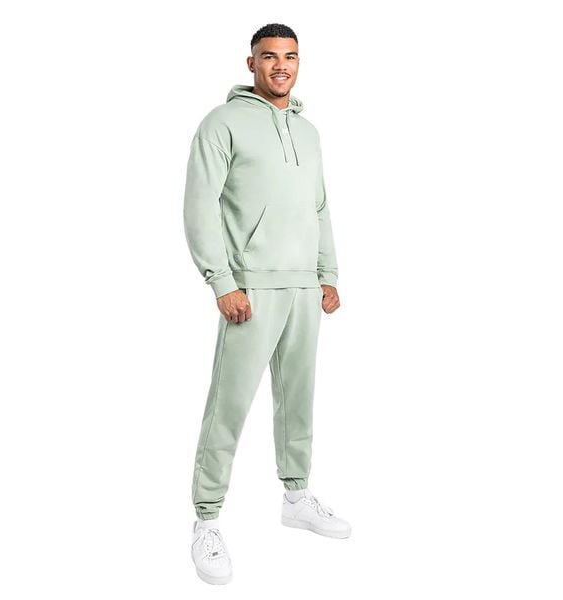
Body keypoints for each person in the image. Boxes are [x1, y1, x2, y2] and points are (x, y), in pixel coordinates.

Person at [183, 23, 351, 585]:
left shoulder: (309, 132)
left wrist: (327, 273)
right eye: (270, 56)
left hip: (304, 286)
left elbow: (320, 207)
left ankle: (296, 496)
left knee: (298, 397)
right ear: (251, 62)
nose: (281, 65)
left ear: (299, 63)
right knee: (228, 404)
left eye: (291, 56)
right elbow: (200, 205)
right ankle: (207, 520)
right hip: (250, 287)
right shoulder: (222, 123)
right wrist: (221, 281)